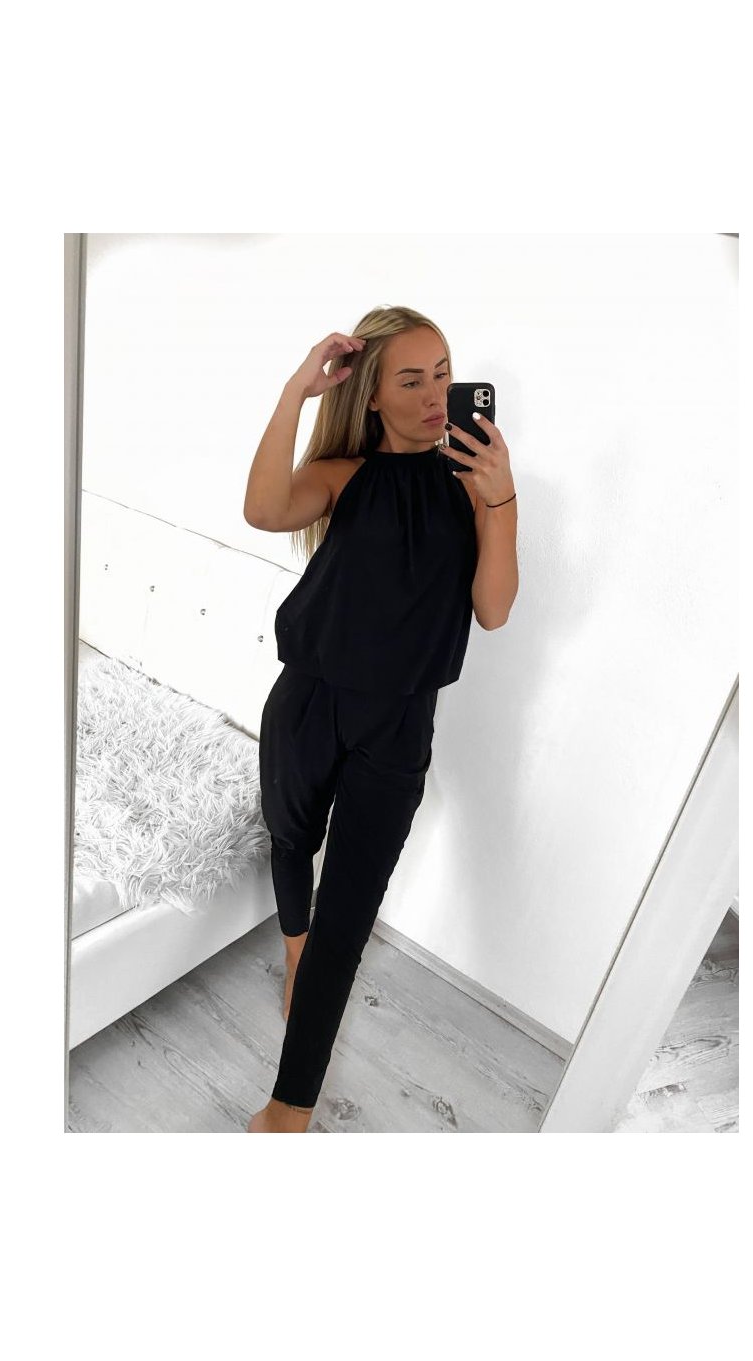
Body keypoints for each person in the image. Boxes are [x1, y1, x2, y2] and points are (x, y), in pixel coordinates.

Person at [242, 305, 518, 1132]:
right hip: (308, 699)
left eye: (444, 375)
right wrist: (296, 391)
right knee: (290, 836)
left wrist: (502, 501)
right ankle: (294, 943)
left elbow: (494, 610)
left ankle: (288, 1108)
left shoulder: (473, 484)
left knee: (350, 918)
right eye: (412, 380)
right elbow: (264, 509)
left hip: (399, 726)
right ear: (370, 395)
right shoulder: (342, 475)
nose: (435, 396)